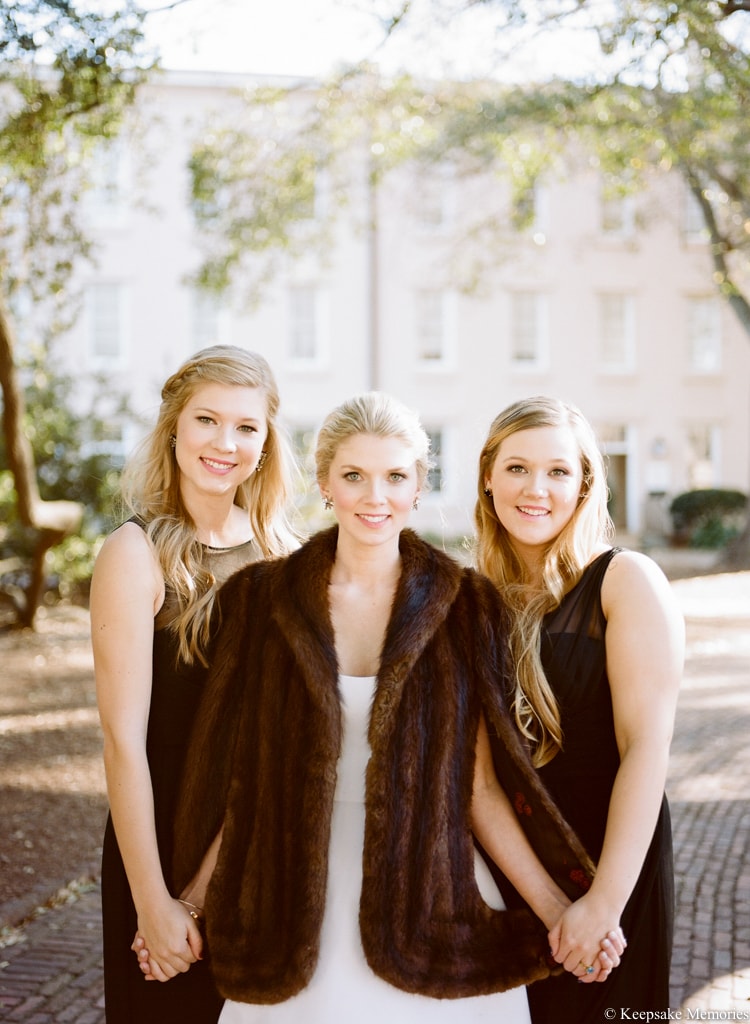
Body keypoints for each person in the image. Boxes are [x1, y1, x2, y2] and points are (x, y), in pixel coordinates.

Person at [164, 391, 624, 1024]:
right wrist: (188, 902)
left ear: (418, 487)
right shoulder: (259, 600)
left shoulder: (467, 606)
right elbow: (246, 779)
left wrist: (560, 912)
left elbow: (479, 789)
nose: (374, 497)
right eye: (354, 475)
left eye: (395, 477)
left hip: (433, 905)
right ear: (325, 484)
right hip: (290, 908)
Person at [91, 345, 299, 1023]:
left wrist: (202, 896)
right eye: (207, 420)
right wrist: (156, 903)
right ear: (174, 427)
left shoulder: (286, 560)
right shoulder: (134, 555)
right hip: (158, 849)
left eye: (246, 427)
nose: (224, 443)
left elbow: (281, 747)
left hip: (260, 849)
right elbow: (123, 744)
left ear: (265, 445)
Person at [474, 395, 684, 1023]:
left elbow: (647, 747)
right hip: (511, 879)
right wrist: (550, 907)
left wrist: (602, 905)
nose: (535, 488)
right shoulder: (469, 602)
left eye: (558, 471)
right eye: (517, 467)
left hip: (615, 867)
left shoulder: (626, 580)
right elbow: (477, 783)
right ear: (488, 479)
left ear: (584, 485)